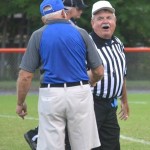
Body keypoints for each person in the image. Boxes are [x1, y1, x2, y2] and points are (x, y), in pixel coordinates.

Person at [16, 0, 104, 150]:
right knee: (82, 145)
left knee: (51, 146)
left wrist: (20, 103)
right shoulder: (81, 32)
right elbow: (99, 71)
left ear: (44, 18)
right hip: (80, 92)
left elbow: (25, 76)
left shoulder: (38, 35)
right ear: (64, 12)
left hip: (51, 94)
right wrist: (92, 80)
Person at [89, 1, 129, 150]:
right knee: (88, 145)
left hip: (110, 106)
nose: (105, 21)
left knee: (111, 145)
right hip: (91, 104)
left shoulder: (118, 43)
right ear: (93, 23)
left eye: (108, 17)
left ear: (115, 21)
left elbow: (121, 74)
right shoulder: (86, 43)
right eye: (100, 18)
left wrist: (124, 101)